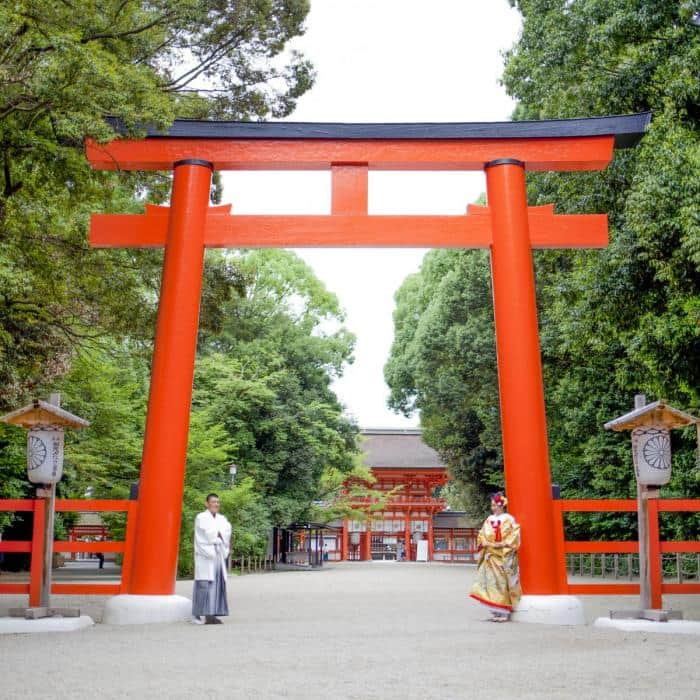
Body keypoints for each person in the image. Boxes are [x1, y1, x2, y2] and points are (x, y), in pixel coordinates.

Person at [469, 492, 521, 622]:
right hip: (491, 555)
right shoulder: (489, 519)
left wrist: (503, 544)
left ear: (500, 505)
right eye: (491, 505)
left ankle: (504, 611)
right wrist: (484, 542)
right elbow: (481, 534)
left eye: (494, 505)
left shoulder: (509, 519)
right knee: (491, 583)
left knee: (503, 583)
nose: (492, 508)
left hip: (502, 555)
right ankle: (496, 611)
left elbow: (514, 536)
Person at [192, 493, 232, 625]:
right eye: (213, 502)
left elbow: (226, 530)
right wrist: (217, 534)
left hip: (218, 555)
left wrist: (219, 534)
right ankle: (198, 615)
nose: (216, 504)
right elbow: (208, 534)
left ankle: (212, 615)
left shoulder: (222, 518)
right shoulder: (201, 517)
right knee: (204, 585)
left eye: (218, 502)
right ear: (207, 503)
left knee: (217, 585)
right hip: (206, 555)